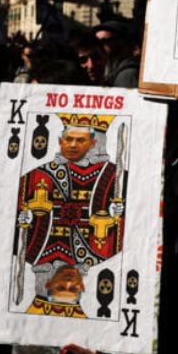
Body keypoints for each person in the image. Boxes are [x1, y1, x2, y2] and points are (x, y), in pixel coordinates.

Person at [16, 115, 124, 315]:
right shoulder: (38, 173)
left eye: (80, 140)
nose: (73, 145)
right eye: (69, 139)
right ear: (60, 141)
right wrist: (24, 219)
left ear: (93, 143)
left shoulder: (114, 175)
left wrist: (117, 212)